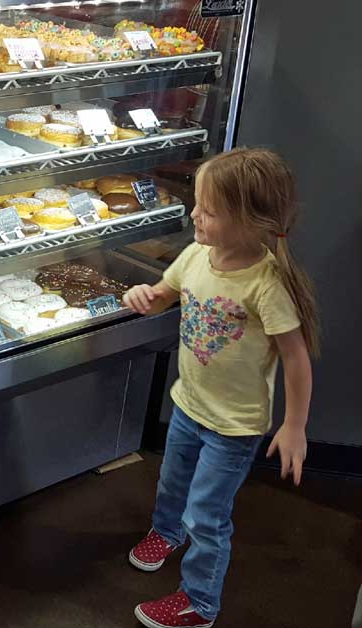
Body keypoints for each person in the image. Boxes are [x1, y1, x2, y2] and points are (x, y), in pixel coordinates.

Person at [122, 147, 318, 628]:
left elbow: (295, 359)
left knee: (206, 517)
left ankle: (199, 602)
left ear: (247, 221)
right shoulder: (195, 256)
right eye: (197, 204)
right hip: (189, 405)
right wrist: (142, 297)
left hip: (233, 428)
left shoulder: (265, 285)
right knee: (171, 484)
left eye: (207, 210)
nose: (194, 214)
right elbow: (163, 296)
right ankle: (165, 532)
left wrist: (294, 426)